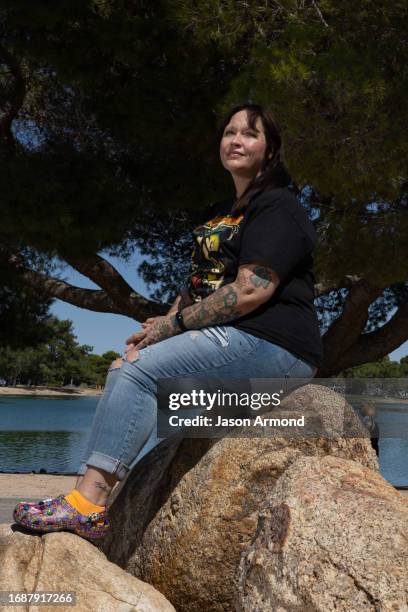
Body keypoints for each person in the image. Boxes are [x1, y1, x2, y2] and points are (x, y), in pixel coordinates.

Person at [13, 103, 323, 541]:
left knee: (141, 376)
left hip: (275, 345)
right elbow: (200, 285)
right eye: (229, 132)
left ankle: (89, 504)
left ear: (270, 149)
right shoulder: (220, 213)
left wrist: (174, 328)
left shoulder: (278, 205)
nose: (236, 140)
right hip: (231, 337)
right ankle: (87, 493)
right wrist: (160, 324)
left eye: (250, 134)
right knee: (126, 366)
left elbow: (253, 288)